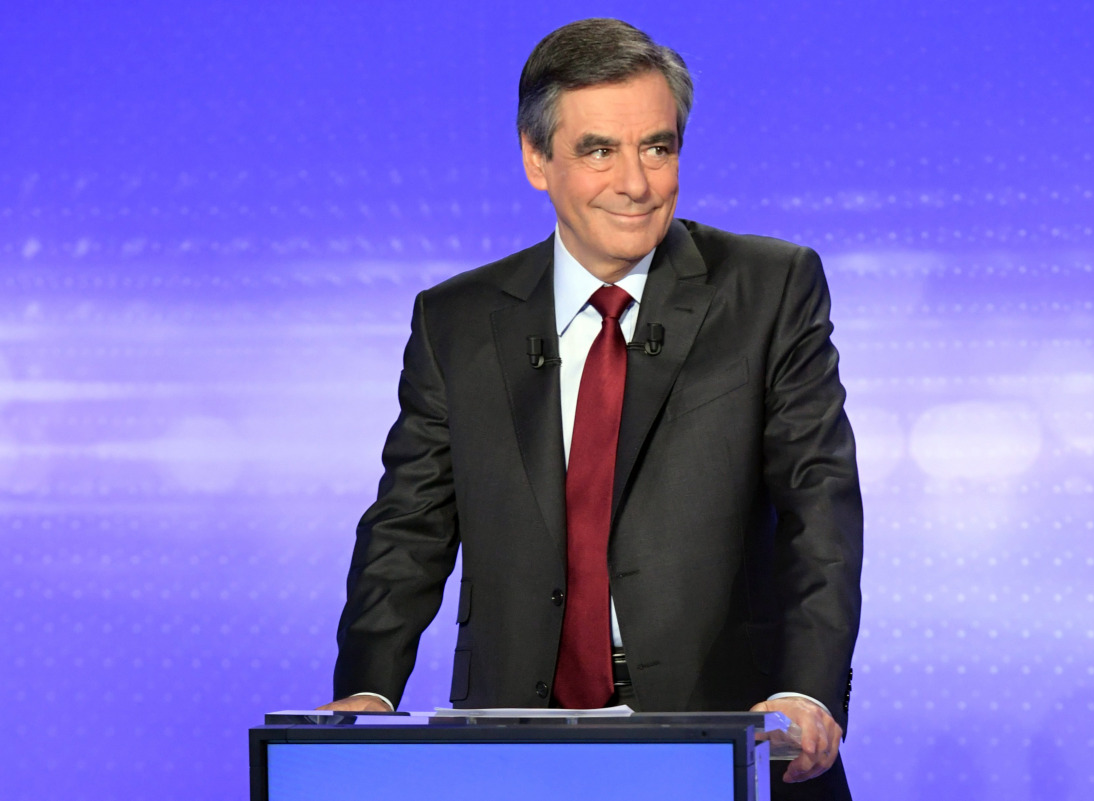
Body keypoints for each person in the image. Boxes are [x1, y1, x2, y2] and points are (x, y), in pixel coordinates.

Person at [320, 18, 863, 800]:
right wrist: (367, 692)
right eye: (599, 149)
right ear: (536, 159)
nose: (637, 183)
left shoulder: (769, 288)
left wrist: (806, 692)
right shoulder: (458, 319)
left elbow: (822, 508)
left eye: (658, 147)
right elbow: (409, 525)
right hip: (514, 746)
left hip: (728, 735)